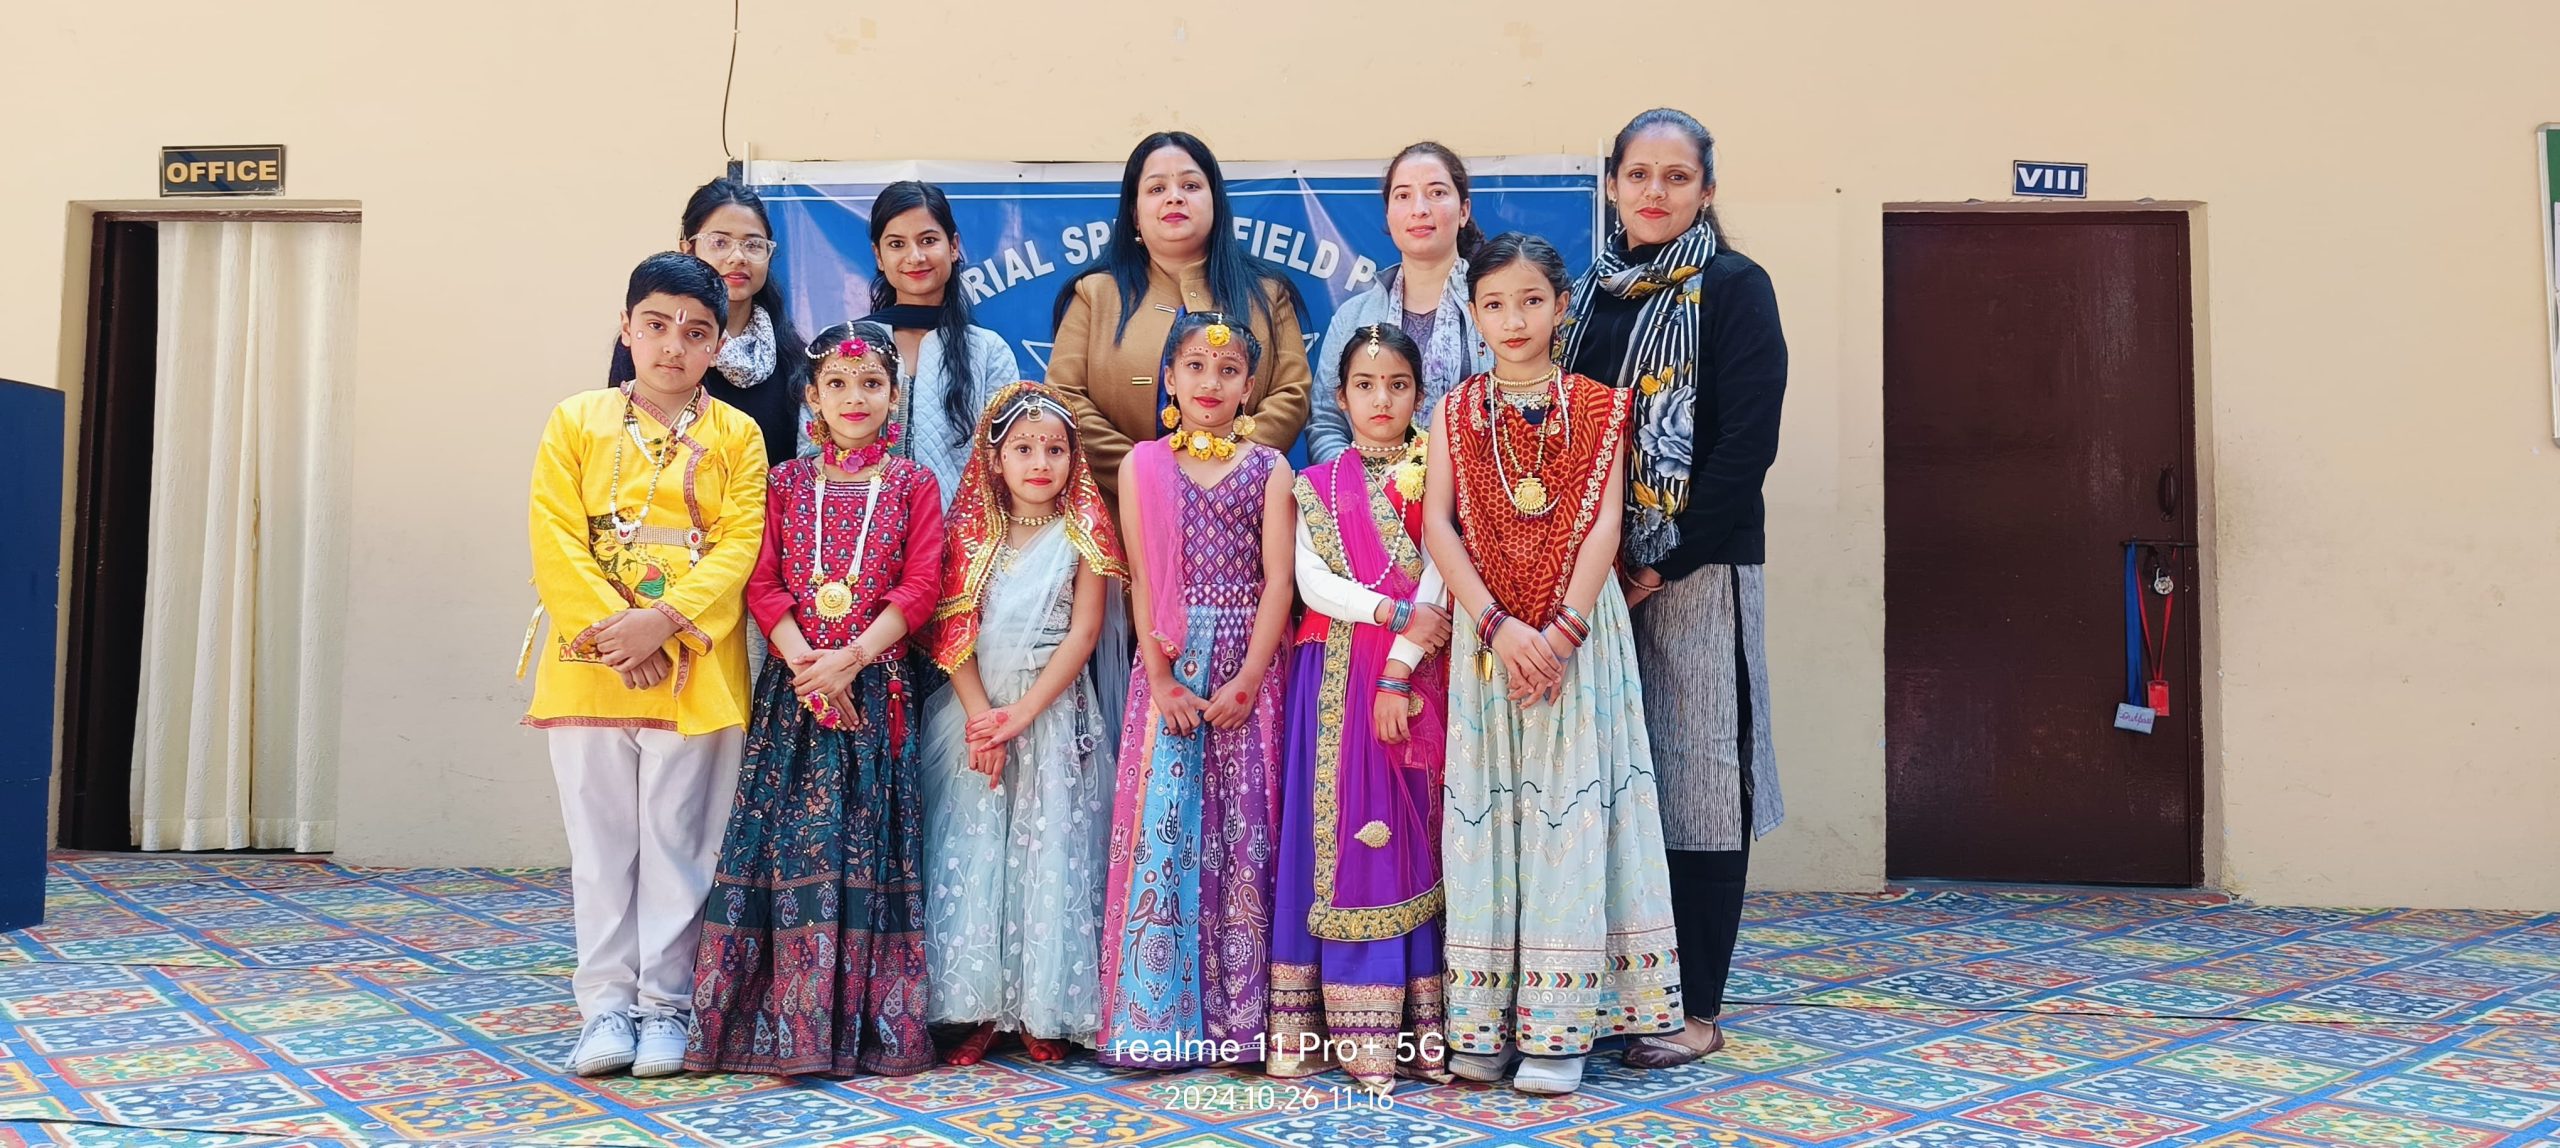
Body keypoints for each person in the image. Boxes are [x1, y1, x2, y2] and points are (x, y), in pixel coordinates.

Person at [1420, 234, 1683, 1095]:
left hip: (1580, 638)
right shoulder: (1454, 414)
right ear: (1473, 313)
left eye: (1531, 300)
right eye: (1494, 304)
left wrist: (1561, 631)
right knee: (1488, 820)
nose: (1513, 319)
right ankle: (1486, 1024)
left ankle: (1560, 1030)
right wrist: (1498, 627)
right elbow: (1437, 528)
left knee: (1570, 813)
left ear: (1561, 307)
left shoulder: (1603, 408)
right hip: (1488, 642)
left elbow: (1606, 523)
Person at [1558, 109, 1787, 1069]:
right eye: (1639, 174)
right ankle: (1613, 990)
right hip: (1589, 578)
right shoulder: (1586, 300)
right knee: (1605, 783)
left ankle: (1692, 1009)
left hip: (1694, 572)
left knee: (1698, 785)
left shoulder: (1734, 288)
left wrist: (1661, 561)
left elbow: (1746, 448)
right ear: (1612, 183)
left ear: (1707, 189)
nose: (1655, 192)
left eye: (1676, 177)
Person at [525, 252, 767, 1078]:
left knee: (679, 844)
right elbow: (555, 536)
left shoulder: (738, 434)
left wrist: (659, 623)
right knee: (600, 850)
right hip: (589, 669)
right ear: (626, 328)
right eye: (657, 325)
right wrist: (611, 631)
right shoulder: (576, 421)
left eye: (697, 332)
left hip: (692, 669)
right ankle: (604, 1010)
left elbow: (740, 544)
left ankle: (667, 1007)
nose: (674, 346)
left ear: (717, 346)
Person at [687, 322, 944, 1077]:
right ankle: (774, 1025)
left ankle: (861, 1028)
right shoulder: (785, 483)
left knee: (866, 852)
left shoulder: (913, 485)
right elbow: (762, 582)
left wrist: (853, 658)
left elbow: (921, 586)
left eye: (871, 384)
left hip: (877, 694)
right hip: (794, 697)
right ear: (812, 396)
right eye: (838, 383)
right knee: (784, 849)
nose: (854, 397)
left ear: (894, 396)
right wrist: (807, 664)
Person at [1095, 312, 1295, 1069]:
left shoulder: (1268, 468)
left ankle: (1245, 1020)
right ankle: (1157, 1017)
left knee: (1246, 829)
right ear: (1169, 380)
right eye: (1194, 368)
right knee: (1168, 828)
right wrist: (1159, 677)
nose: (1210, 384)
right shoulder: (1142, 465)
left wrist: (1248, 678)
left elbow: (1280, 580)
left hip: (1249, 661)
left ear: (1249, 386)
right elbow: (1144, 579)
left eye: (1228, 371)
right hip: (1170, 664)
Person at [1268, 324, 1454, 1095]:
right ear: (1339, 399)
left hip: (1423, 672)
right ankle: (1328, 1032)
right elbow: (1310, 585)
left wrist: (1408, 655)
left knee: (1420, 830)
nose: (1383, 400)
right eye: (1366, 386)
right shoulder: (1312, 483)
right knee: (1337, 832)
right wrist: (1391, 614)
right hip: (1338, 673)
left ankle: (1417, 1030)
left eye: (1399, 385)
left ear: (1419, 394)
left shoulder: (1438, 473)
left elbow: (1447, 567)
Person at [916, 383, 1126, 1065]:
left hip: (1052, 714)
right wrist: (984, 721)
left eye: (1056, 450)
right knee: (976, 851)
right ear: (994, 458)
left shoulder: (1083, 535)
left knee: (1049, 852)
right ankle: (974, 1009)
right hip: (974, 715)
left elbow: (1084, 633)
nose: (1041, 462)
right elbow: (951, 628)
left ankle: (1043, 1008)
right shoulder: (972, 536)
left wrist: (1021, 717)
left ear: (1074, 459)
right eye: (1025, 449)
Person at [1047, 131, 1312, 509]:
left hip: (1240, 518)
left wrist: (1228, 471)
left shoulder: (1268, 294)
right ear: (1135, 215)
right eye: (1156, 189)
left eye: (1190, 185)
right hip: (1124, 518)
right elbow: (1065, 399)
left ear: (1216, 203)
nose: (1175, 196)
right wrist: (1144, 474)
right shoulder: (1095, 295)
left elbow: (1292, 394)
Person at [800, 181, 1023, 506]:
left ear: (954, 246)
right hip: (856, 540)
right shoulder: (841, 345)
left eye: (928, 240)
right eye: (897, 244)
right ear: (878, 255)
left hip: (961, 546)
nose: (915, 257)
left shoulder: (989, 352)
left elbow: (1008, 464)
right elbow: (810, 451)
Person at [1306, 142, 1494, 463]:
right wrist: (1361, 486)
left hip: (1474, 500)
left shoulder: (1493, 308)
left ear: (1463, 211)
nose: (1419, 208)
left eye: (1436, 193)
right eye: (1403, 195)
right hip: (1372, 503)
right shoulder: (1354, 316)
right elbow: (1326, 422)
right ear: (1389, 213)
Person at [610, 178, 809, 466]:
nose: (738, 257)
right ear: (687, 249)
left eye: (753, 245)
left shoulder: (792, 354)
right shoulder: (653, 348)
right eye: (719, 242)